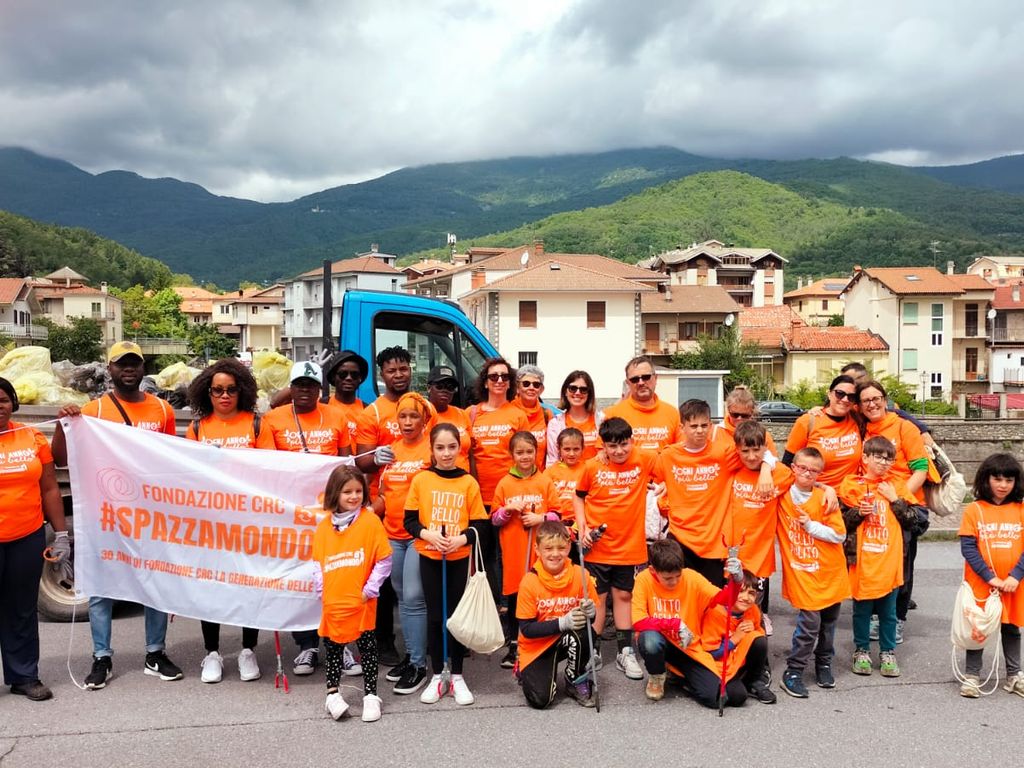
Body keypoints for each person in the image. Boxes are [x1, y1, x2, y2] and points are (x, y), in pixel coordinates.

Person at [53, 341, 182, 690]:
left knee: (155, 582)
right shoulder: (92, 410)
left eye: (134, 363)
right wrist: (63, 425)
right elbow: (61, 458)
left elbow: (173, 459)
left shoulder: (162, 410)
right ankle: (101, 657)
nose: (128, 369)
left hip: (151, 513)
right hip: (106, 513)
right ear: (109, 369)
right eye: (121, 363)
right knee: (101, 585)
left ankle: (155, 653)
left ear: (143, 368)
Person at [257, 361, 352, 676]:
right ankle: (306, 646)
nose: (305, 391)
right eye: (299, 385)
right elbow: (266, 467)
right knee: (301, 580)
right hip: (293, 516)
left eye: (311, 386)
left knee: (337, 576)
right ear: (291, 387)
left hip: (331, 512)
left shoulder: (337, 416)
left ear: (319, 389)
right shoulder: (273, 419)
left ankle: (340, 642)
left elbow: (346, 463)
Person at [184, 358, 263, 683]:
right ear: (208, 392)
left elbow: (271, 470)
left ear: (241, 390)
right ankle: (212, 653)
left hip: (249, 520)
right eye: (217, 390)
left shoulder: (256, 424)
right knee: (211, 586)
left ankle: (248, 650)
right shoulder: (197, 428)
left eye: (231, 389)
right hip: (211, 522)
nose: (225, 396)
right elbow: (186, 474)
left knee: (249, 585)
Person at [404, 424, 489, 705]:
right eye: (440, 448)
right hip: (430, 557)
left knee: (456, 617)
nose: (446, 453)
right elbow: (409, 521)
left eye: (452, 447)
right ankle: (437, 674)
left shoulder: (468, 482)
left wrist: (462, 539)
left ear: (459, 448)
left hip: (458, 559)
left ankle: (458, 676)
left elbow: (480, 524)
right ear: (431, 449)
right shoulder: (421, 480)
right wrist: (427, 534)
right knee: (435, 617)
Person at [0, 377, 70, 701]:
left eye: (3, 400)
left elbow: (50, 488)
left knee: (21, 610)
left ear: (13, 404)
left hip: (26, 537)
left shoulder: (31, 437)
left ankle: (24, 676)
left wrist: (61, 534)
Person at [573, 417, 658, 680]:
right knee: (598, 599)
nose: (619, 451)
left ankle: (625, 651)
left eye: (624, 444)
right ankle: (594, 650)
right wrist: (583, 527)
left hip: (630, 547)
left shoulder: (645, 459)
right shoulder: (591, 466)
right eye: (612, 446)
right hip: (597, 546)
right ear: (603, 445)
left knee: (623, 596)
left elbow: (670, 467)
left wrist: (663, 485)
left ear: (632, 441)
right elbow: (578, 496)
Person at [654, 400, 771, 587]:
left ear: (711, 425)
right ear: (682, 427)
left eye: (704, 425)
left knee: (712, 598)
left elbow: (759, 452)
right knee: (680, 593)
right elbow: (644, 471)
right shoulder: (668, 456)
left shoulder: (724, 453)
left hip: (713, 543)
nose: (700, 430)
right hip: (680, 538)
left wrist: (765, 469)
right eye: (693, 426)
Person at [838, 436, 922, 679]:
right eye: (878, 457)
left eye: (889, 459)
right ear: (865, 458)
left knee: (888, 612)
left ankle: (888, 652)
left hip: (890, 562)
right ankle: (861, 650)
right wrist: (858, 513)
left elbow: (914, 522)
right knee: (861, 611)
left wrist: (895, 500)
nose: (883, 462)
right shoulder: (851, 485)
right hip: (863, 562)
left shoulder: (897, 486)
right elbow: (841, 524)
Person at [313, 466, 392, 722]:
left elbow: (384, 559)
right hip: (334, 600)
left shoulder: (370, 521)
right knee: (334, 649)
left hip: (361, 600)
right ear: (335, 493)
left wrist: (370, 589)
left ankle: (371, 695)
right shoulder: (324, 527)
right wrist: (322, 590)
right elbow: (317, 563)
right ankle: (332, 694)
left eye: (359, 491)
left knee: (367, 648)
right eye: (347, 491)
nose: (354, 496)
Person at [857, 379, 930, 645]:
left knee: (902, 564)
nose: (872, 404)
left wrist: (897, 499)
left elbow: (921, 469)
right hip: (874, 505)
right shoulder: (862, 429)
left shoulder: (904, 427)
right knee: (875, 562)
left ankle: (898, 618)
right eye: (866, 400)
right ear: (860, 406)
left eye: (876, 398)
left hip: (903, 504)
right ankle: (877, 617)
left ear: (885, 399)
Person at [632, 538, 746, 706]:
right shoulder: (643, 579)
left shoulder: (691, 577)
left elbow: (724, 600)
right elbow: (638, 622)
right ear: (653, 570)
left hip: (688, 647)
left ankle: (679, 677)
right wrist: (675, 624)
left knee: (730, 697)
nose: (674, 582)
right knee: (650, 640)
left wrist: (737, 581)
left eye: (678, 576)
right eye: (668, 578)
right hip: (660, 642)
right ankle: (657, 675)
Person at [354, 347, 413, 668]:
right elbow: (361, 462)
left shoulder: (420, 406)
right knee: (385, 580)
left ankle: (421, 644)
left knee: (415, 583)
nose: (399, 375)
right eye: (392, 370)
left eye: (403, 368)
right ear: (382, 374)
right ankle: (384, 642)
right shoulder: (373, 413)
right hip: (383, 505)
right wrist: (375, 457)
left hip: (418, 503)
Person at [776, 447, 850, 698]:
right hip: (803, 573)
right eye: (803, 468)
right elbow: (767, 461)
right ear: (793, 468)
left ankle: (823, 663)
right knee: (809, 624)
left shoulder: (825, 499)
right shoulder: (782, 496)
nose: (807, 473)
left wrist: (810, 525)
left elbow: (839, 534)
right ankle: (794, 670)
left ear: (820, 474)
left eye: (814, 470)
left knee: (828, 623)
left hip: (830, 571)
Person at [372, 392, 432, 695]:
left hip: (418, 535)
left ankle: (419, 664)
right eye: (403, 416)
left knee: (413, 598)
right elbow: (385, 496)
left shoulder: (432, 449)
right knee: (401, 597)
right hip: (392, 535)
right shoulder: (391, 451)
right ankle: (411, 655)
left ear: (424, 420)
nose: (407, 422)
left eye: (414, 416)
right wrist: (365, 512)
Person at [491, 431, 560, 668]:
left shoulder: (544, 481)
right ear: (511, 454)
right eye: (519, 452)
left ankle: (538, 641)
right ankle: (514, 645)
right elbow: (494, 519)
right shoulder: (505, 483)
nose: (525, 456)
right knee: (515, 597)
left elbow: (557, 514)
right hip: (513, 552)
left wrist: (540, 518)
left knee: (538, 595)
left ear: (536, 453)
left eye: (529, 451)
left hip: (539, 553)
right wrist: (508, 510)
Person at [957, 453, 1024, 698]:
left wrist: (1016, 576)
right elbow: (968, 548)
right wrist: (990, 577)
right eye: (997, 479)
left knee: (1011, 627)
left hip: (1014, 583)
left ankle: (1014, 675)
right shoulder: (974, 510)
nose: (1003, 485)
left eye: (1009, 480)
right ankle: (972, 676)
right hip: (982, 583)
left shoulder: (1021, 509)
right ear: (986, 479)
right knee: (979, 627)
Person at [516, 521, 599, 708]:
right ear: (537, 550)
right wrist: (562, 622)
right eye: (548, 548)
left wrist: (591, 612)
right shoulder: (529, 581)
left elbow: (590, 622)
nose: (555, 554)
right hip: (536, 646)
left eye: (561, 548)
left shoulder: (581, 574)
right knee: (540, 700)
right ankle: (523, 668)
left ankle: (574, 679)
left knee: (585, 633)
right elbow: (527, 629)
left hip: (566, 638)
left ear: (569, 547)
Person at [468, 356, 528, 600]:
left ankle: (510, 606)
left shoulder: (518, 415)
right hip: (478, 497)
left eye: (505, 376)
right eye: (494, 376)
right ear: (485, 382)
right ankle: (491, 605)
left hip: (509, 498)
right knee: (484, 556)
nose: (499, 380)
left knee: (508, 555)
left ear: (510, 382)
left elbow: (525, 455)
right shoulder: (472, 414)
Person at [726, 420, 793, 637]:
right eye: (745, 451)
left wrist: (766, 468)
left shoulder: (780, 474)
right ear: (737, 450)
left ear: (765, 448)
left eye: (757, 450)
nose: (751, 456)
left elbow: (805, 481)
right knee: (729, 613)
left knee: (753, 614)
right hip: (731, 557)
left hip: (759, 559)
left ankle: (758, 654)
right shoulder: (732, 470)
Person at [698, 570, 777, 705]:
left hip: (739, 661)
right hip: (719, 665)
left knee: (758, 638)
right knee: (737, 697)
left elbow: (758, 642)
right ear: (729, 591)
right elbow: (710, 654)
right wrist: (734, 639)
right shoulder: (716, 612)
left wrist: (752, 631)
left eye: (751, 593)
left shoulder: (752, 610)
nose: (746, 598)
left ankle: (754, 681)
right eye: (740, 591)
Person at [783, 374, 862, 489]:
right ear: (829, 394)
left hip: (850, 495)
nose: (845, 399)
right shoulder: (808, 421)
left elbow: (875, 403)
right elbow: (787, 465)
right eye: (840, 393)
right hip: (817, 494)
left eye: (851, 396)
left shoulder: (856, 417)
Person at [603, 356, 681, 451]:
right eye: (634, 379)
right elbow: (602, 452)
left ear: (656, 378)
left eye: (646, 377)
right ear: (628, 383)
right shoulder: (611, 415)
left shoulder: (673, 413)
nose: (641, 382)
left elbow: (681, 451)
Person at [545, 370, 604, 466]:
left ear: (589, 394)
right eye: (573, 388)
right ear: (565, 392)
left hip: (596, 474)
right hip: (567, 475)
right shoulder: (555, 424)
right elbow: (553, 461)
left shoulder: (601, 420)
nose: (577, 393)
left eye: (583, 389)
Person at [543, 428, 587, 544]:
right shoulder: (549, 472)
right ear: (559, 449)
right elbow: (545, 501)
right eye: (567, 449)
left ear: (583, 448)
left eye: (576, 449)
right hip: (555, 525)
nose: (571, 453)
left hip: (580, 525)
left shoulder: (587, 469)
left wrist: (578, 525)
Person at [323, 350, 370, 452]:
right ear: (333, 377)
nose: (349, 378)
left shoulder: (368, 411)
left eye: (354, 375)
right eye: (343, 374)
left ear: (360, 378)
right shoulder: (321, 405)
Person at [426, 365, 470, 470]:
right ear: (428, 388)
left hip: (463, 477)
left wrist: (472, 478)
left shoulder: (462, 414)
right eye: (440, 386)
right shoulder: (421, 415)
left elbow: (470, 454)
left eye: (450, 388)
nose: (445, 391)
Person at [719, 385, 777, 455]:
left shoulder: (763, 435)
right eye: (735, 415)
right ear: (728, 411)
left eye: (744, 415)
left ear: (752, 413)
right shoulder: (715, 433)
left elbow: (774, 460)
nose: (739, 419)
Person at [513, 364, 549, 470]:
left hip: (539, 476)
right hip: (514, 476)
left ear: (541, 389)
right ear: (517, 388)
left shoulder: (547, 414)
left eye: (536, 385)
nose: (531, 388)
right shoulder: (508, 412)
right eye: (526, 384)